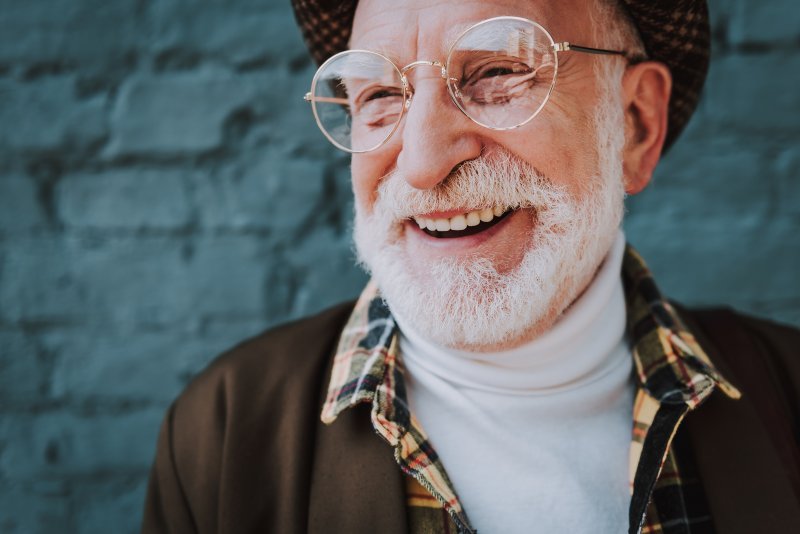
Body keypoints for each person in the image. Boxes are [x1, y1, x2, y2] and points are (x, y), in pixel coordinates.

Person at [141, 0, 800, 532]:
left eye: (496, 73)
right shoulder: (221, 439)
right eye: (377, 93)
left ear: (634, 123)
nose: (423, 161)